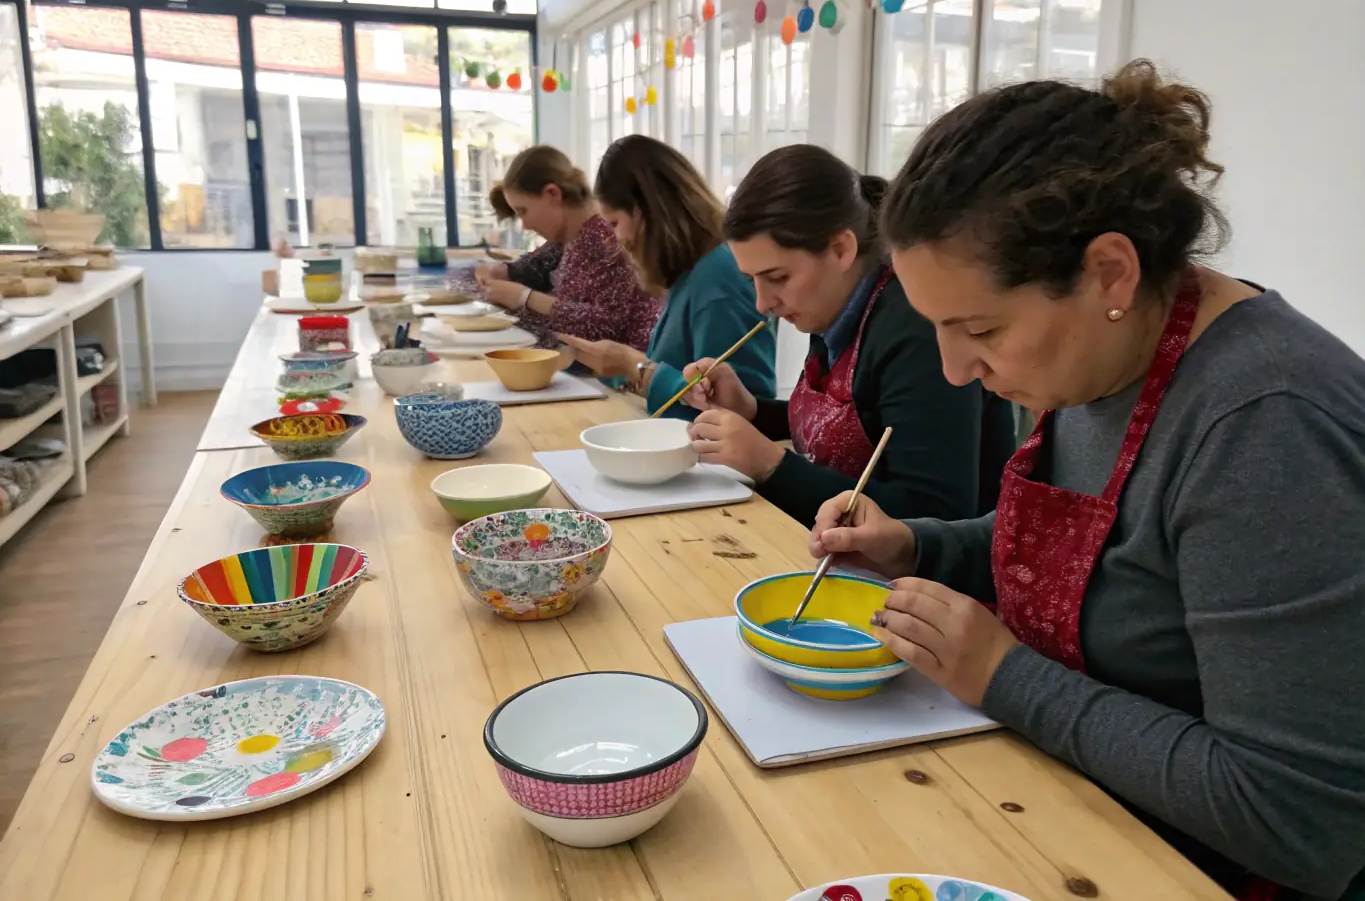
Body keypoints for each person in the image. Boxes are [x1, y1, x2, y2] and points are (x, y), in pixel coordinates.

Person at [808, 61, 1365, 900]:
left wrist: (1003, 676)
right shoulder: (1102, 354)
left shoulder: (1264, 425)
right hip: (1081, 816)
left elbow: (1296, 822)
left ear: (1109, 272)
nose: (956, 372)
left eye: (980, 328)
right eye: (937, 331)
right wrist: (915, 545)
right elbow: (1102, 559)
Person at [682, 144, 1014, 529]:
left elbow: (935, 512)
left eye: (777, 278)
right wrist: (752, 411)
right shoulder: (834, 305)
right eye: (752, 280)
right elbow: (847, 430)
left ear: (841, 249)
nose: (762, 303)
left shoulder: (916, 328)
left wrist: (771, 465)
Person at [560, 135, 776, 417]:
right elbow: (677, 371)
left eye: (615, 223)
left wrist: (635, 367)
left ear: (646, 211)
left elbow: (743, 410)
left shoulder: (718, 279)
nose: (615, 239)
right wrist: (619, 367)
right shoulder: (690, 274)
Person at [474, 145, 660, 350]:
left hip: (616, 376)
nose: (525, 226)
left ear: (552, 194)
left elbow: (607, 327)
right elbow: (531, 266)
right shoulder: (569, 237)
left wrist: (526, 298)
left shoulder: (604, 237)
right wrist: (500, 273)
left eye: (523, 211)